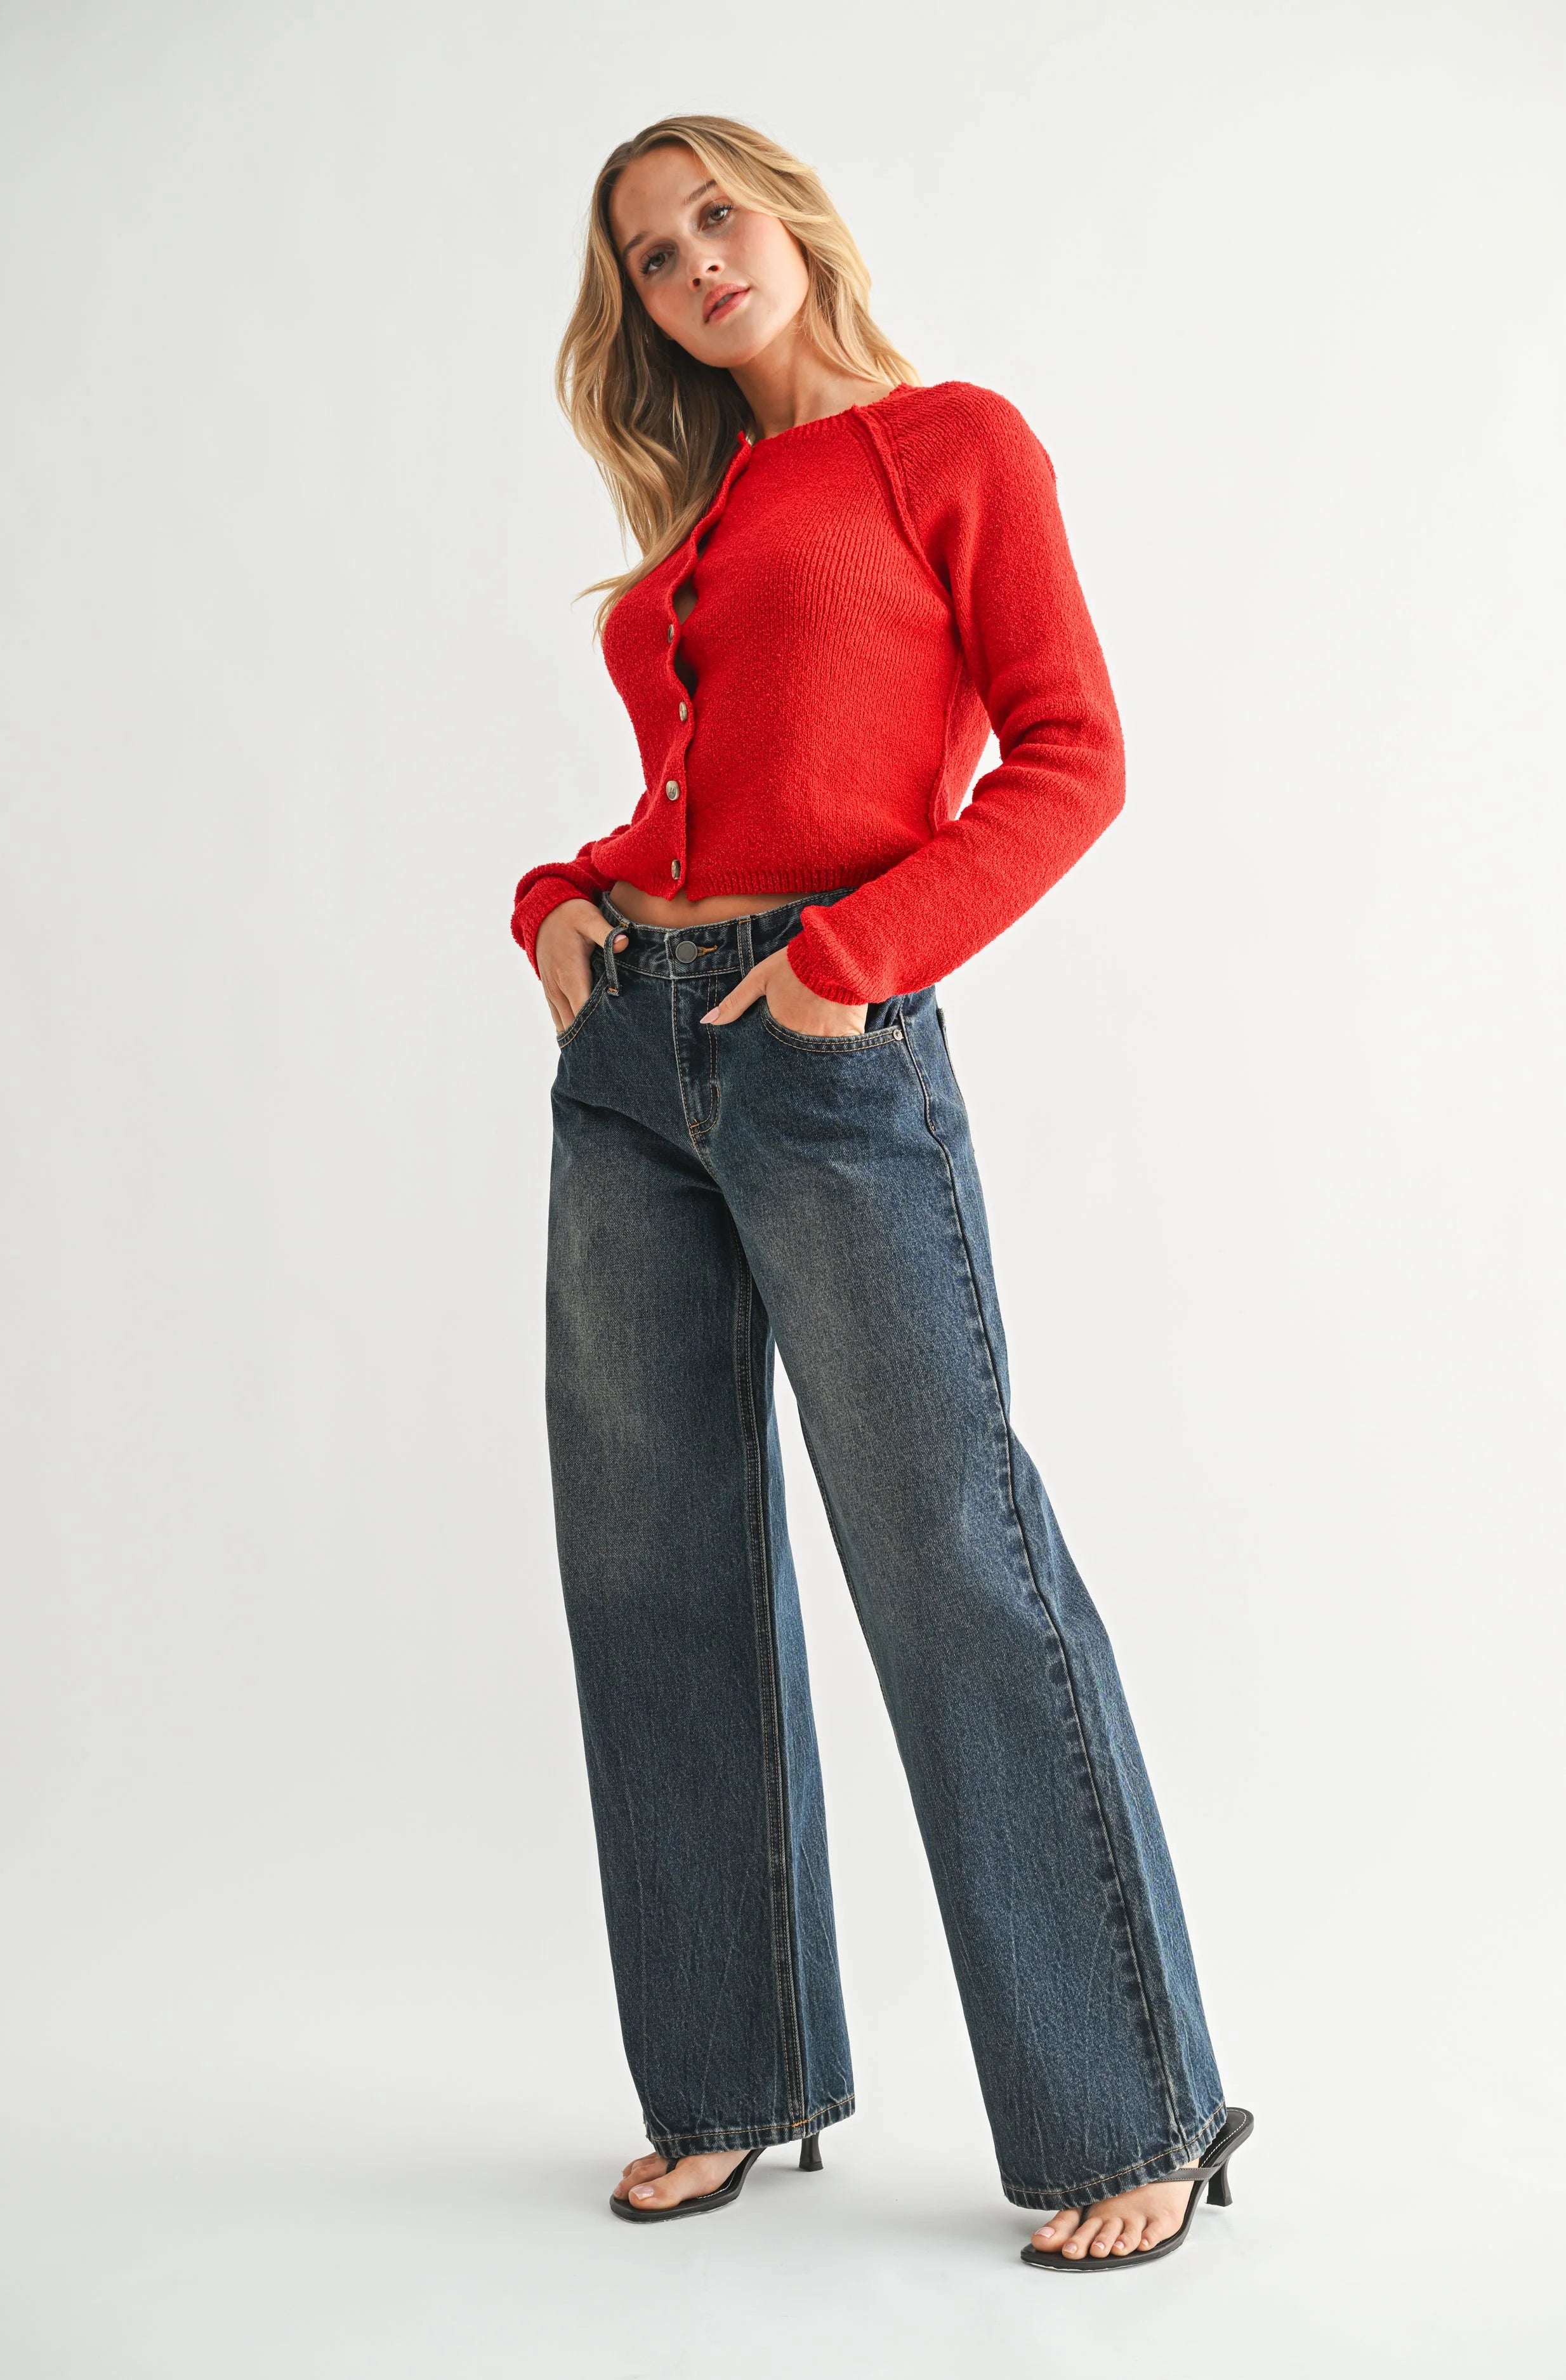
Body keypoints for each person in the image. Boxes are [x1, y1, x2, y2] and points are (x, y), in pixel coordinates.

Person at [513, 114, 1251, 2270]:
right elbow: (684, 804)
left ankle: (1129, 2108)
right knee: (651, 1571)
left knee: (948, 1552)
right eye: (652, 259)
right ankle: (728, 2084)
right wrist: (558, 904)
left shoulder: (950, 447)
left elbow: (1071, 756)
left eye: (712, 216)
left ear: (790, 215)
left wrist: (848, 962)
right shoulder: (707, 515)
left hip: (819, 1045)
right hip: (629, 1059)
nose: (694, 267)